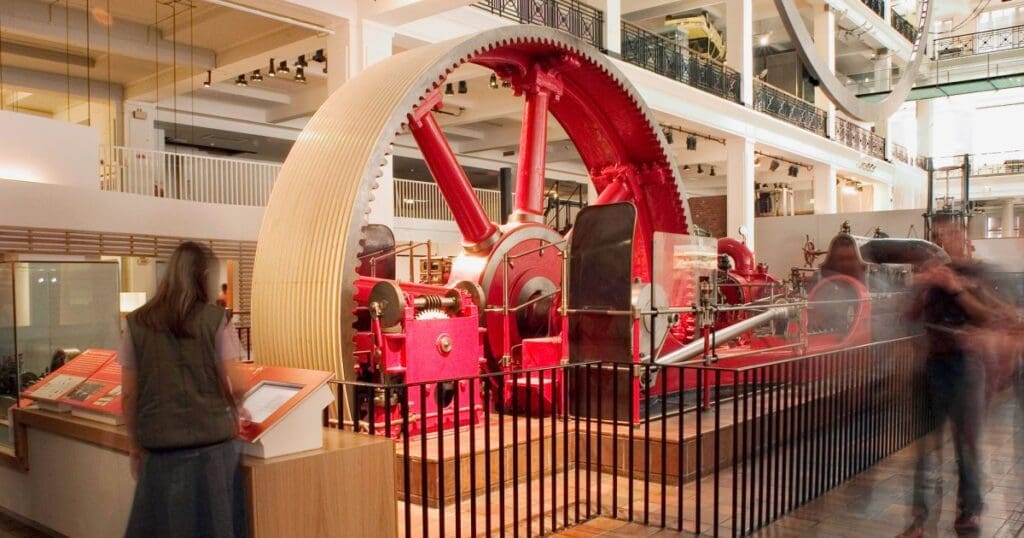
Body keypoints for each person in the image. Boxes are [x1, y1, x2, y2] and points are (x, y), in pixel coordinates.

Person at [119, 241, 248, 538]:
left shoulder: (136, 323)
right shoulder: (216, 319)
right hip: (213, 453)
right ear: (204, 276)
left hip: (159, 454)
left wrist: (135, 445)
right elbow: (239, 383)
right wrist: (236, 408)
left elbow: (128, 395)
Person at [901, 220, 1002, 538]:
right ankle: (919, 519)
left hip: (965, 367)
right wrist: (921, 288)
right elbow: (910, 316)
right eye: (940, 236)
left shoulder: (977, 273)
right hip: (932, 366)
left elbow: (987, 315)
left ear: (966, 238)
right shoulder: (932, 272)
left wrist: (955, 287)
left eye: (954, 233)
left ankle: (970, 509)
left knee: (965, 443)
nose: (946, 239)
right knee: (924, 447)